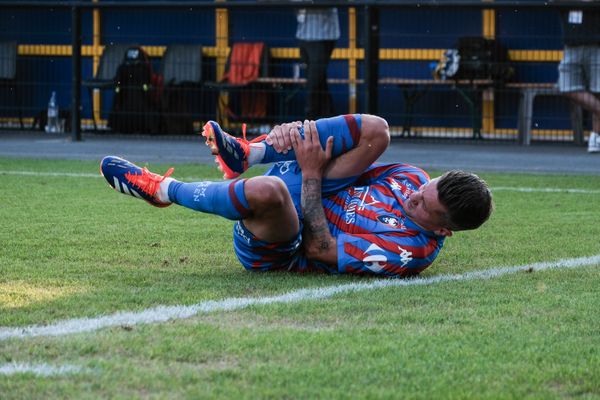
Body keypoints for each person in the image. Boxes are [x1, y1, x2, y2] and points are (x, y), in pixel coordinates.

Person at [100, 114, 493, 277]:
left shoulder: (411, 250)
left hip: (285, 242)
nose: (414, 197)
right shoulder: (411, 178)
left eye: (425, 207)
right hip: (310, 183)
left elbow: (319, 249)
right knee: (377, 130)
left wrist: (308, 172)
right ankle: (249, 151)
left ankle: (161, 190)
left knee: (269, 190)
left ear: (444, 231)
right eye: (426, 189)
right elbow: (348, 157)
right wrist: (292, 136)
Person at [557, 6, 600, 153]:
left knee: (597, 91)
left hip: (596, 46)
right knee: (565, 86)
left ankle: (596, 138)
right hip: (571, 45)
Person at [295, 6, 340, 119]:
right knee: (319, 81)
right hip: (303, 33)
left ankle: (310, 119)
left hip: (322, 34)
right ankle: (329, 118)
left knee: (314, 81)